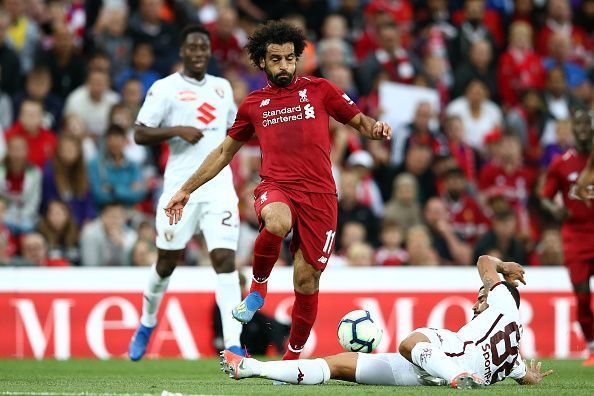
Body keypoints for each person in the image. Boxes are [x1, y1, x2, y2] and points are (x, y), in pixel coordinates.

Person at [164, 21, 392, 361]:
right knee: (276, 221)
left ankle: (292, 359)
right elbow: (224, 152)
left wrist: (376, 129)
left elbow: (359, 122)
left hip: (320, 197)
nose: (283, 65)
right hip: (277, 186)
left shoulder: (321, 89)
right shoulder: (254, 104)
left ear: (297, 57)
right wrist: (185, 189)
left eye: (289, 58)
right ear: (262, 62)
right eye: (275, 59)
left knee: (306, 281)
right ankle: (257, 287)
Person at [221, 255, 553, 388]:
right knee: (336, 366)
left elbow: (483, 261)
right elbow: (524, 377)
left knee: (409, 342)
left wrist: (503, 266)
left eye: (482, 295)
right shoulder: (513, 358)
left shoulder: (505, 301)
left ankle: (456, 377)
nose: (477, 300)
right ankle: (254, 369)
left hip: (452, 360)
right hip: (435, 373)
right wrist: (532, 378)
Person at [128, 25, 244, 361]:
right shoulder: (165, 89)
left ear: (209, 52)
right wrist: (176, 129)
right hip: (180, 188)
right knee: (166, 262)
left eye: (203, 47)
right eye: (191, 47)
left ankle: (234, 343)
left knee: (224, 260)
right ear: (182, 52)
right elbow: (139, 133)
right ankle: (147, 322)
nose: (197, 52)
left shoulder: (222, 88)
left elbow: (236, 130)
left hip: (219, 188)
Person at [541, 108, 594, 366]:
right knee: (582, 294)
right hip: (575, 237)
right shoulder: (561, 163)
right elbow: (544, 196)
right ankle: (593, 346)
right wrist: (555, 209)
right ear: (573, 129)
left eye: (587, 124)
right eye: (579, 125)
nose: (583, 129)